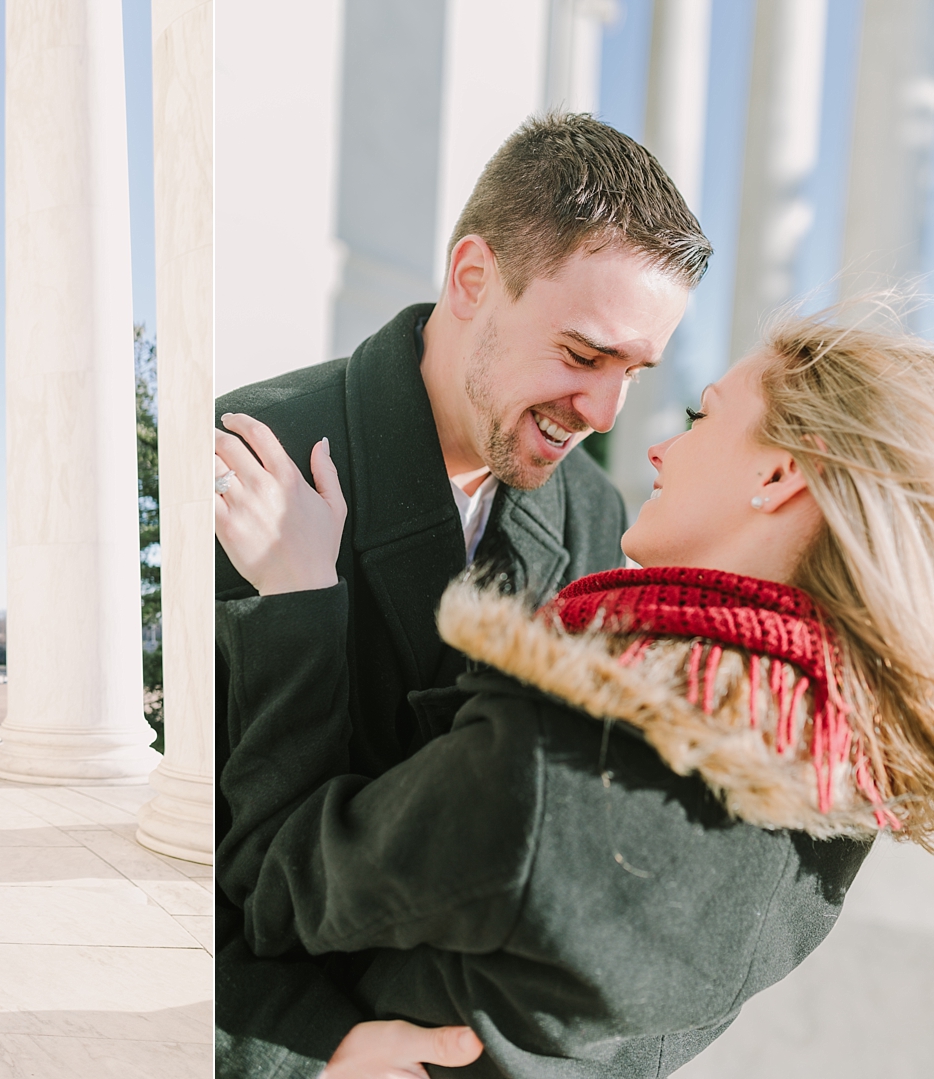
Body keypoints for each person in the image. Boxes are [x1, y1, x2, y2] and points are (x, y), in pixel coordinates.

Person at [215, 307, 934, 1076]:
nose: (655, 445)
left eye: (701, 417)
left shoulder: (557, 769)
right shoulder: (835, 806)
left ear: (781, 472)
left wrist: (298, 597)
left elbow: (271, 878)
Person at [214, 113, 709, 1075]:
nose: (605, 413)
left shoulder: (593, 519)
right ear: (473, 279)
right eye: (582, 354)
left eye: (634, 372)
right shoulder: (243, 460)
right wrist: (302, 1044)